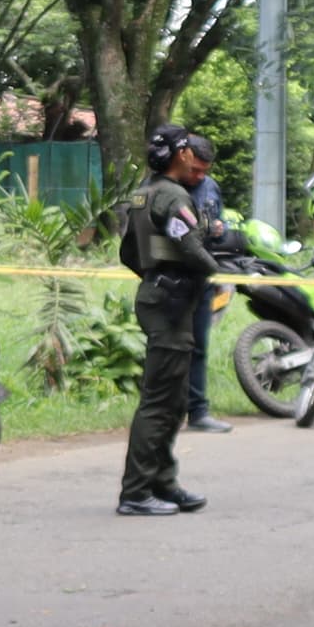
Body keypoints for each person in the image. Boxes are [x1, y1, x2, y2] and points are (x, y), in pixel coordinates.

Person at [116, 125, 218, 519]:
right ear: (182, 154)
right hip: (171, 304)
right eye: (189, 151)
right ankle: (136, 492)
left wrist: (152, 276)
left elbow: (128, 252)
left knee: (174, 401)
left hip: (159, 297)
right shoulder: (173, 196)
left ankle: (163, 482)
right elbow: (190, 246)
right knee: (160, 402)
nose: (193, 158)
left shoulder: (144, 192)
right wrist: (218, 270)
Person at [183, 163, 233, 434]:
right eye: (195, 170)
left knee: (199, 346)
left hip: (202, 278)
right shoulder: (167, 188)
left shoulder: (210, 186)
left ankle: (198, 412)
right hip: (172, 281)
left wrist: (220, 229)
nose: (199, 176)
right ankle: (164, 411)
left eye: (204, 171)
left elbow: (221, 229)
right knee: (169, 347)